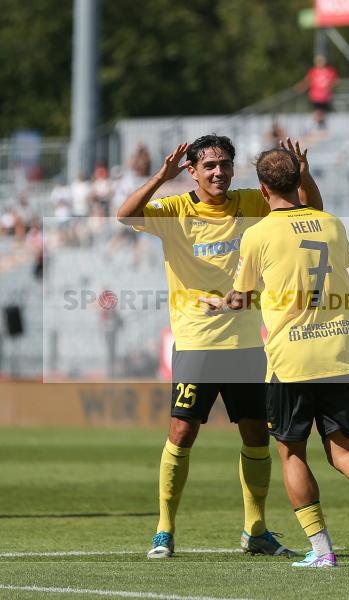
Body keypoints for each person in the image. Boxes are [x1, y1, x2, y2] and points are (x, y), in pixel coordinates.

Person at [117, 134, 323, 559]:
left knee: (256, 436)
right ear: (191, 170)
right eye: (209, 165)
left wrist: (304, 173)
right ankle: (164, 530)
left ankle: (256, 530)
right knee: (182, 430)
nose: (218, 172)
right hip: (196, 341)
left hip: (247, 341)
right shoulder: (175, 210)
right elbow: (125, 214)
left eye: (225, 164)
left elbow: (310, 211)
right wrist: (161, 176)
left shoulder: (251, 202)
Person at [205, 148, 349, 568]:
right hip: (337, 353)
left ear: (262, 191)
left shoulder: (259, 233)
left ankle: (322, 551)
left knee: (291, 453)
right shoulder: (332, 225)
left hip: (291, 359)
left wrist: (219, 302)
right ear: (300, 180)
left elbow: (242, 297)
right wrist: (305, 178)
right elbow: (317, 222)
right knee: (343, 452)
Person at [297, 56, 338, 129]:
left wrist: (329, 87)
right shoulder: (313, 71)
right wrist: (301, 87)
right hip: (315, 96)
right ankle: (318, 126)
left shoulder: (330, 71)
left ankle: (320, 126)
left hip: (325, 96)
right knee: (318, 112)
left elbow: (335, 81)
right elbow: (307, 81)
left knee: (322, 113)